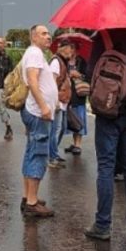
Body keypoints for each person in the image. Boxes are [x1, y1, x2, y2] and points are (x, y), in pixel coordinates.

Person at [84, 29, 126, 240]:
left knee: (106, 167)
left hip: (107, 113)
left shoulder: (101, 38)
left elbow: (91, 73)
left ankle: (103, 225)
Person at [19, 25, 57, 218]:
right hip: (38, 113)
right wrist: (44, 107)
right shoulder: (34, 53)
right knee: (39, 154)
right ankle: (32, 202)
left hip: (35, 111)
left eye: (48, 33)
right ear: (34, 37)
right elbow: (33, 81)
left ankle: (28, 197)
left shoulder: (35, 53)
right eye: (43, 33)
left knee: (31, 152)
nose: (48, 36)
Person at [48, 40, 73, 169]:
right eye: (70, 48)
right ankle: (51, 157)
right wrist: (55, 101)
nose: (72, 52)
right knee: (55, 130)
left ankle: (53, 152)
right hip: (57, 102)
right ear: (62, 49)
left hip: (63, 101)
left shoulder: (64, 63)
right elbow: (52, 82)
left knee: (62, 128)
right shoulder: (56, 62)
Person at [64, 43, 88, 155]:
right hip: (67, 94)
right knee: (71, 119)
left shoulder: (82, 61)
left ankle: (78, 144)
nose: (71, 50)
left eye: (73, 48)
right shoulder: (64, 61)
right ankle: (74, 143)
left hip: (78, 94)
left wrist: (78, 75)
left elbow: (88, 76)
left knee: (79, 118)